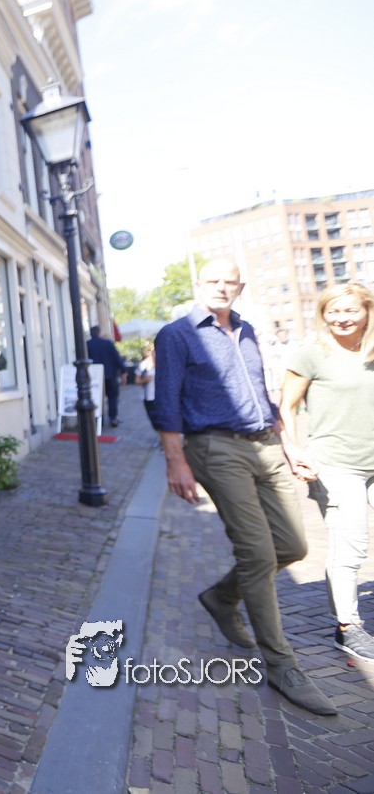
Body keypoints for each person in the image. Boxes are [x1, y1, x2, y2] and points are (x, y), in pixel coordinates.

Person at [151, 258, 335, 715]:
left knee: (292, 546)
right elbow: (165, 403)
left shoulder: (247, 330)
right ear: (198, 284)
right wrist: (176, 462)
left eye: (229, 281)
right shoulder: (177, 335)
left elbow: (263, 395)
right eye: (212, 280)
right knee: (257, 554)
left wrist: (289, 444)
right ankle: (282, 665)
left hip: (266, 444)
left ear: (241, 286)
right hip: (216, 447)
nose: (221, 287)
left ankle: (221, 597)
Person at [279, 283, 374, 662]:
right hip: (336, 464)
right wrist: (293, 450)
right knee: (350, 544)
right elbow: (286, 406)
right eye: (333, 311)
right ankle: (347, 626)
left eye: (350, 310)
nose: (342, 318)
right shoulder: (313, 353)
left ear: (367, 311)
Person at [86, 325, 126, 427]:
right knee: (112, 397)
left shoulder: (87, 345)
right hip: (110, 374)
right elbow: (116, 358)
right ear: (99, 333)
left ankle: (99, 419)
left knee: (97, 397)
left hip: (95, 376)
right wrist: (123, 371)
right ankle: (113, 417)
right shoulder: (107, 343)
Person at [134, 343, 156, 428]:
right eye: (153, 350)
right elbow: (137, 381)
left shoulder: (164, 363)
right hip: (149, 397)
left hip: (162, 397)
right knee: (154, 421)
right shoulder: (143, 364)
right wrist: (145, 380)